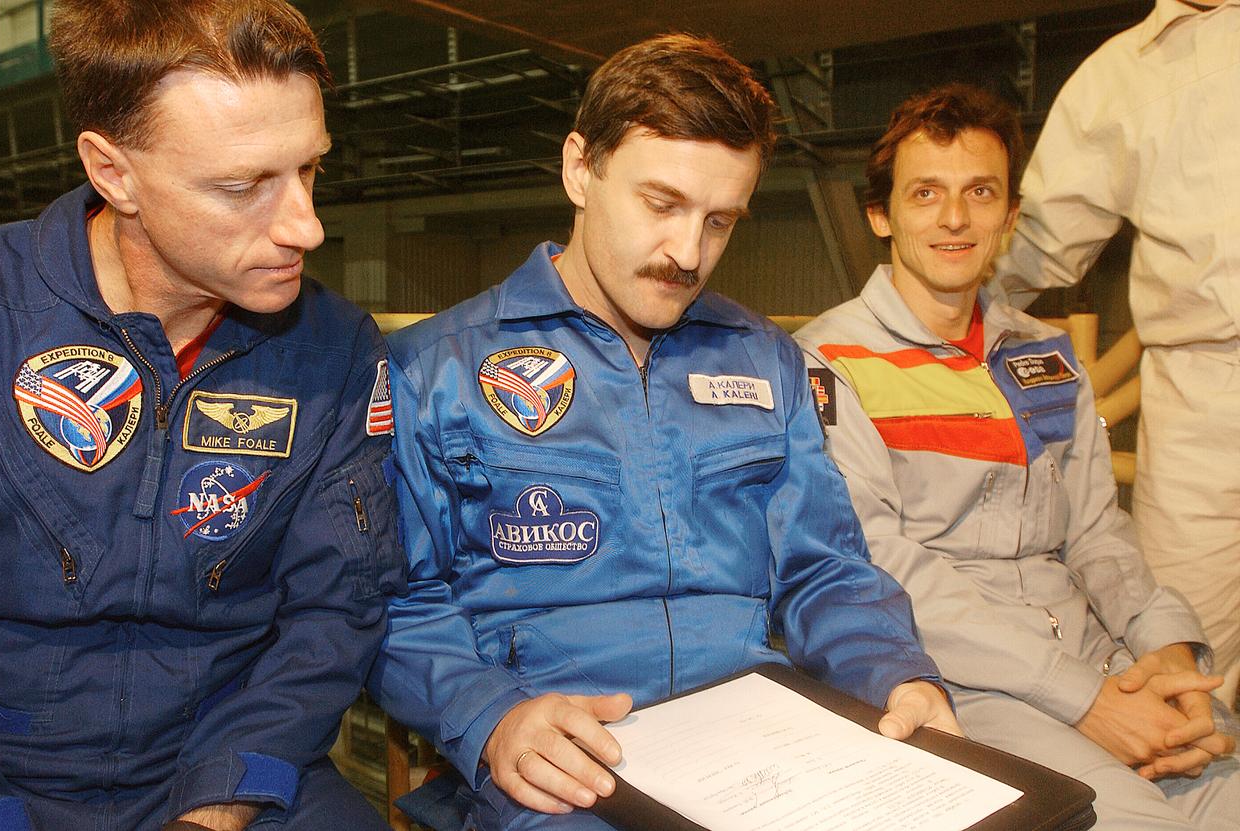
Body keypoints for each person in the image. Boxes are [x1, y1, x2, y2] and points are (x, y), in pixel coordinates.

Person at [369, 33, 958, 831]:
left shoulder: (766, 360)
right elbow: (399, 600)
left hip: (766, 741)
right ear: (580, 167)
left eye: (721, 220)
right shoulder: (432, 369)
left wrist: (898, 676)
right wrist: (488, 715)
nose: (689, 253)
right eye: (662, 204)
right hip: (568, 753)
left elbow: (826, 569)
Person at [0, 1, 401, 829]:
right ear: (112, 170)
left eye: (309, 169)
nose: (305, 225)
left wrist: (220, 800)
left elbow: (335, 611)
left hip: (227, 758)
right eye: (242, 186)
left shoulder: (334, 349)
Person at [795, 83, 1240, 830]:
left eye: (980, 192)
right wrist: (1083, 697)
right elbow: (882, 564)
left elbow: (1099, 531)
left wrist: (1167, 649)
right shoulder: (827, 360)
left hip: (1101, 657)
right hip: (967, 678)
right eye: (926, 193)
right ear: (882, 214)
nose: (955, 217)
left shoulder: (1044, 354)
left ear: (1009, 215)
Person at [992, 0, 1240, 710]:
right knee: (1187, 664)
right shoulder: (1117, 78)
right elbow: (1028, 241)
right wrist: (903, 323)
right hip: (1201, 397)